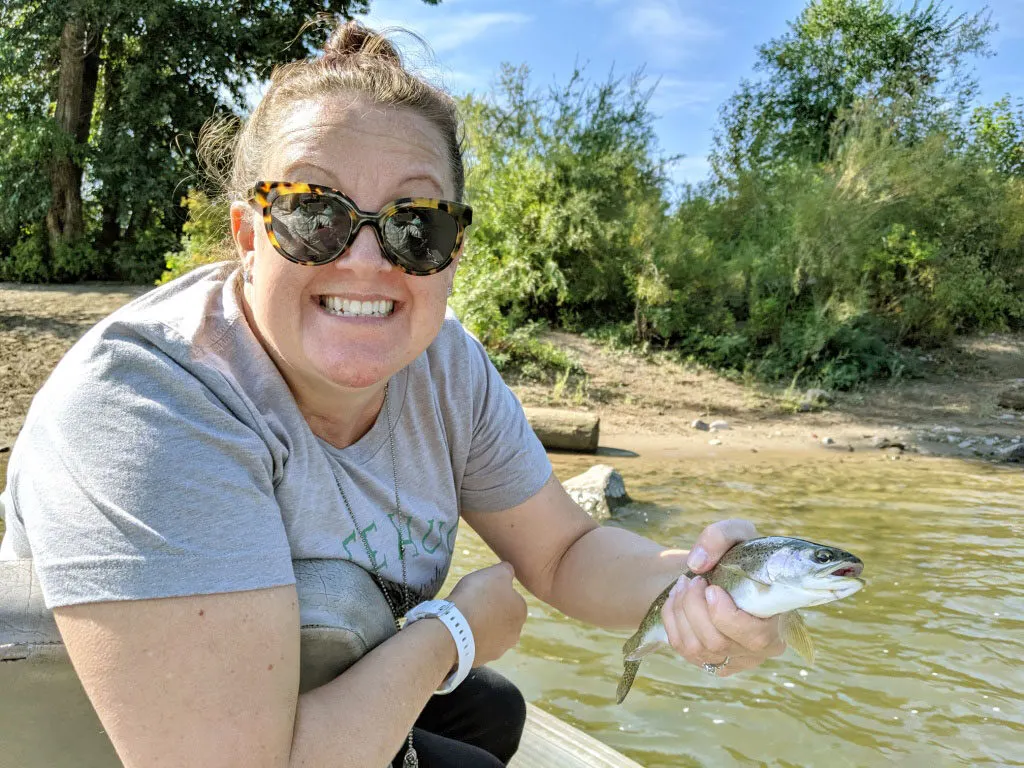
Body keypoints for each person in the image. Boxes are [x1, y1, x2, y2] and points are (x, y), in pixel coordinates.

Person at [0, 21, 785, 768]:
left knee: (495, 711)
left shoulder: (447, 368)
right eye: (314, 214)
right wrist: (452, 631)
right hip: (114, 732)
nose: (369, 261)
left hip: (313, 671)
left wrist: (704, 585)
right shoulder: (147, 405)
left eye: (417, 226)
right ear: (247, 237)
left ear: (452, 251)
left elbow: (565, 550)